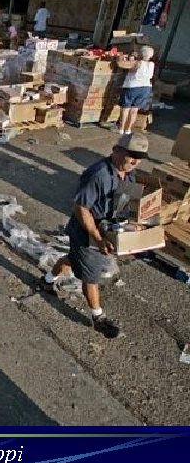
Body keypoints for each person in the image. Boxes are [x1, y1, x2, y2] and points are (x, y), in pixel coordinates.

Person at [43, 133, 150, 339]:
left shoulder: (128, 173)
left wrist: (129, 227)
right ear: (116, 151)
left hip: (104, 229)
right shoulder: (98, 174)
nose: (135, 161)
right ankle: (97, 317)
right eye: (131, 155)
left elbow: (125, 200)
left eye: (139, 156)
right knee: (90, 276)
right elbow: (81, 208)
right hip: (87, 232)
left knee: (74, 261)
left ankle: (47, 281)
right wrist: (98, 238)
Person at [117, 46, 155, 135]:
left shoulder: (137, 63)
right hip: (145, 88)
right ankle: (128, 130)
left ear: (141, 54)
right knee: (134, 111)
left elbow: (120, 64)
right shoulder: (152, 64)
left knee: (125, 109)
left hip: (133, 87)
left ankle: (121, 129)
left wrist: (119, 57)